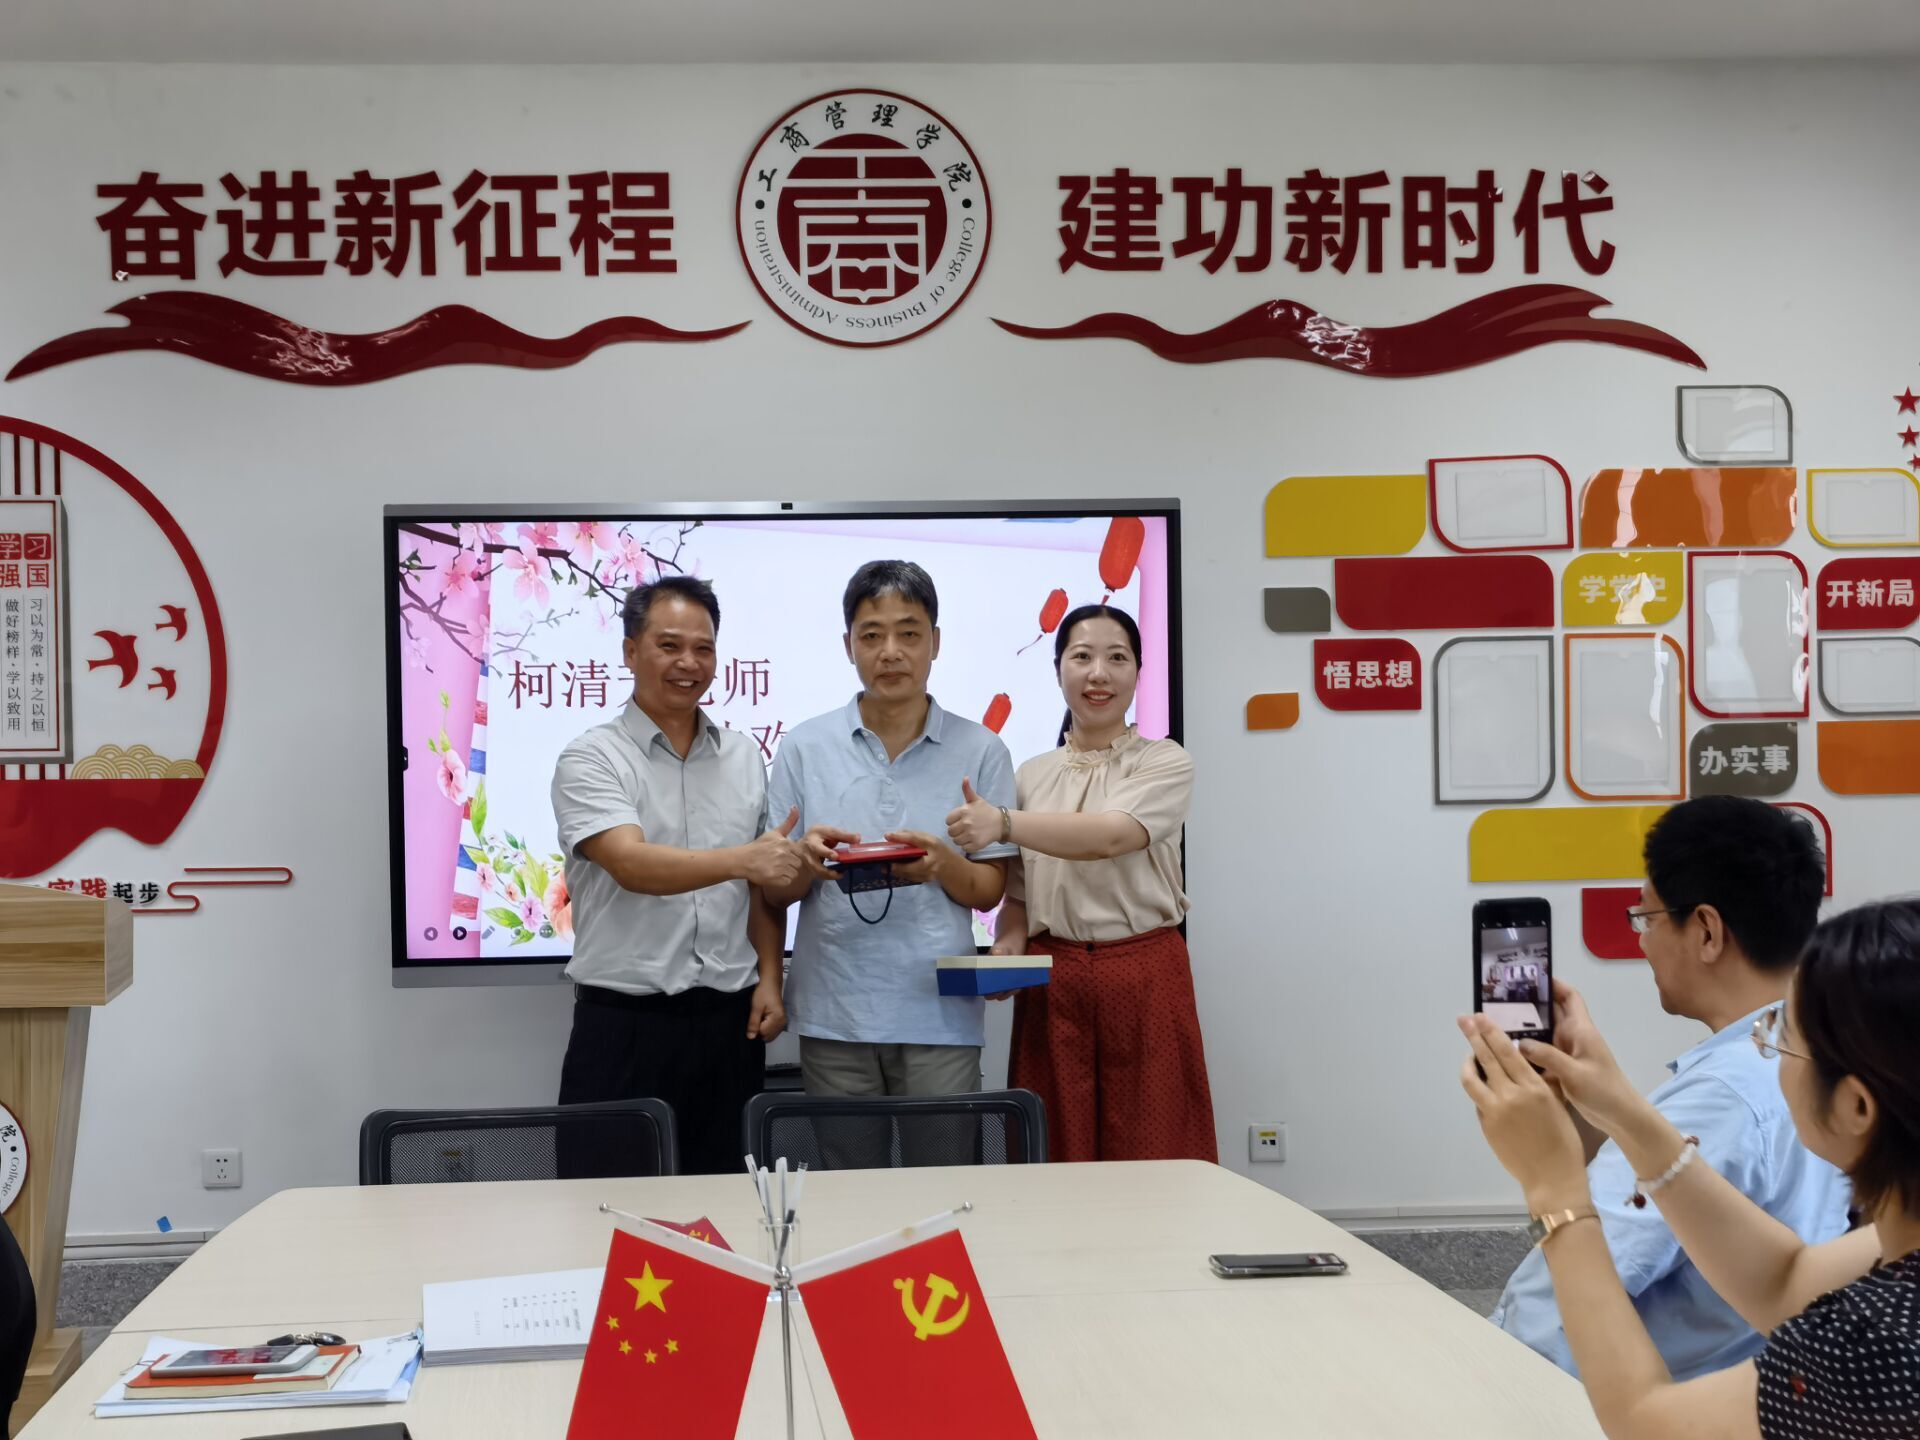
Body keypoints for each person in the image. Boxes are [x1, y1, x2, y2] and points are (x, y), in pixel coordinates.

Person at [1458, 897, 1920, 1439]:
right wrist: (1621, 1109)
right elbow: (1786, 1281)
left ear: (1855, 1107)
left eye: (1783, 1036)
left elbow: (1647, 1422)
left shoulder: (1880, 1345)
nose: (1765, 1046)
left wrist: (1553, 1189)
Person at [1490, 796, 1850, 1381]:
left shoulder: (1724, 1092)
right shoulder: (1825, 1052)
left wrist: (1486, 1376)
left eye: (1648, 918)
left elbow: (1562, 1301)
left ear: (1706, 930)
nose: (1641, 941)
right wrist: (1584, 1106)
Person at [550, 576, 803, 1175]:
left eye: (703, 648)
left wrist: (771, 977)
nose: (688, 663)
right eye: (669, 646)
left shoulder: (743, 756)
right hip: (624, 1026)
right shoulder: (592, 756)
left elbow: (762, 888)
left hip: (729, 1027)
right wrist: (745, 859)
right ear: (630, 650)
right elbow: (631, 863)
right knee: (605, 1206)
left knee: (728, 1205)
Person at [946, 604, 1217, 1163]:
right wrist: (1007, 948)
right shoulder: (1030, 775)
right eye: (1082, 657)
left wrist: (1004, 822)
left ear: (1138, 672)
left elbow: (1111, 835)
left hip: (1146, 973)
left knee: (1155, 1147)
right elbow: (1018, 896)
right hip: (1056, 978)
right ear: (1058, 670)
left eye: (1117, 658)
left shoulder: (1164, 761)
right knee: (1055, 1153)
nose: (1099, 674)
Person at [764, 560, 1018, 1106]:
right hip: (834, 1008)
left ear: (935, 642)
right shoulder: (804, 746)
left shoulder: (982, 750)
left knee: (944, 1159)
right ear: (848, 645)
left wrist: (942, 864)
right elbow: (774, 893)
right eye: (871, 636)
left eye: (909, 633)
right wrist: (805, 862)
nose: (891, 652)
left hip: (940, 1011)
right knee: (846, 1162)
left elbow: (989, 891)